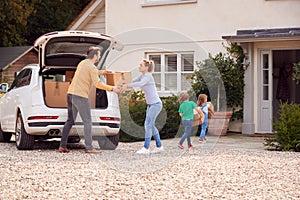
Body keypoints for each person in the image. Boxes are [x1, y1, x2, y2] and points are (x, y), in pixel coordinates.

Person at [58, 46, 121, 154]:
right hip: (80, 97)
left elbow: (92, 71)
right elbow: (97, 84)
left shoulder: (82, 63)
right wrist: (112, 88)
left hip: (70, 94)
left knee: (70, 121)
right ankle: (89, 147)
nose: (100, 57)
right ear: (95, 55)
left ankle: (62, 146)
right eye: (99, 55)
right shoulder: (91, 67)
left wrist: (104, 72)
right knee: (87, 121)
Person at [122, 59, 164, 154]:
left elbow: (140, 84)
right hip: (150, 105)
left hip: (156, 105)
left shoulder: (148, 76)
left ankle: (146, 148)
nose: (139, 66)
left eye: (141, 65)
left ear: (146, 67)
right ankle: (159, 146)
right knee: (151, 125)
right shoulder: (143, 75)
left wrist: (127, 85)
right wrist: (123, 85)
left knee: (148, 125)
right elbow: (134, 81)